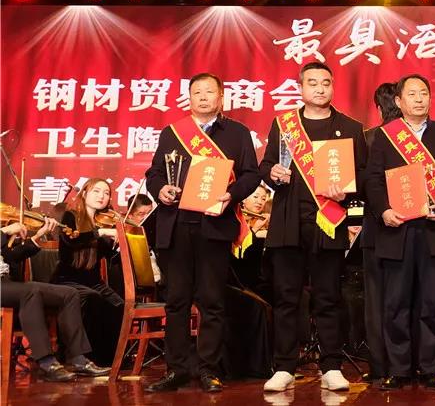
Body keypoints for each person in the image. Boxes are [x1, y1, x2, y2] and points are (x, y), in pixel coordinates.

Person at [143, 72, 260, 393]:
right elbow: (154, 173)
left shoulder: (237, 133)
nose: (204, 97)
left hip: (215, 224)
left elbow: (251, 175)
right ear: (190, 98)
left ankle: (209, 369)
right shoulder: (172, 133)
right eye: (197, 92)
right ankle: (177, 369)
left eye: (210, 92)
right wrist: (160, 189)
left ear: (221, 98)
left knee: (212, 301)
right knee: (176, 301)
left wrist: (231, 195)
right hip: (175, 224)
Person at [259, 61, 368, 392]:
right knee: (286, 297)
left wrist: (348, 190)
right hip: (288, 222)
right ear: (301, 88)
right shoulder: (284, 125)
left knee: (328, 296)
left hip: (329, 221)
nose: (320, 88)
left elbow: (364, 176)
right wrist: (272, 173)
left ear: (333, 86)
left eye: (326, 83)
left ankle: (331, 365)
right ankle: (284, 367)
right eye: (313, 83)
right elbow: (266, 165)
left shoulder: (350, 127)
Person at [365, 74, 435, 390]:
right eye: (412, 94)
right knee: (396, 303)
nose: (419, 99)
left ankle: (429, 368)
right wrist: (384, 210)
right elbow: (372, 180)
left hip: (434, 229)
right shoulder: (385, 136)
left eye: (424, 93)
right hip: (396, 231)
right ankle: (399, 369)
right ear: (399, 101)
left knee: (432, 303)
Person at [1, 220, 109, 380]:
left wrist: (38, 236)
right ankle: (46, 362)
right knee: (31, 292)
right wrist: (4, 231)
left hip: (7, 282)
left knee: (69, 294)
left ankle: (77, 359)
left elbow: (10, 257)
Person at [50, 177, 125, 366]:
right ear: (84, 193)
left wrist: (122, 245)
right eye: (96, 191)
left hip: (93, 281)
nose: (102, 196)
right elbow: (71, 242)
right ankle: (82, 356)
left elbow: (111, 257)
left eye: (106, 193)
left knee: (119, 305)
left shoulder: (104, 222)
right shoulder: (70, 216)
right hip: (67, 280)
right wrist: (100, 233)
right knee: (92, 299)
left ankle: (108, 359)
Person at [359, 82, 401, 385]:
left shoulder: (367, 138)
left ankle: (379, 366)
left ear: (378, 108)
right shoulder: (418, 138)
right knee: (406, 300)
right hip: (412, 229)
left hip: (376, 229)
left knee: (376, 301)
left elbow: (360, 186)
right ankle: (405, 364)